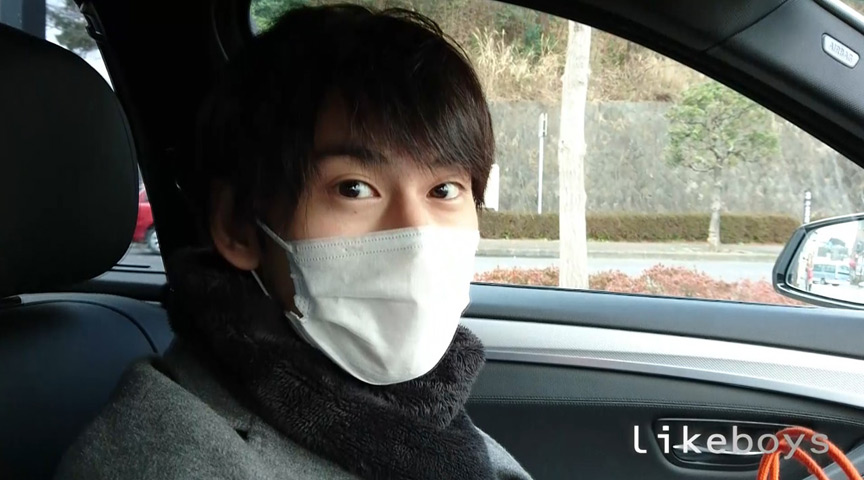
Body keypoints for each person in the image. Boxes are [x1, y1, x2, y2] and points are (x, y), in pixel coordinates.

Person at [54, 4, 531, 480]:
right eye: (354, 188)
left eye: (443, 190)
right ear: (239, 227)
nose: (415, 237)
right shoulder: (161, 460)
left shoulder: (428, 422)